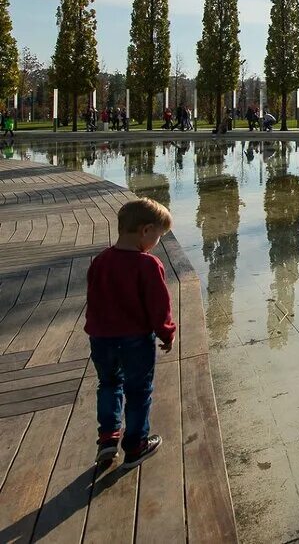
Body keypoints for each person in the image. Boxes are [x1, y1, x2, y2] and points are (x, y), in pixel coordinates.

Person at [85, 198, 176, 468]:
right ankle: (135, 445)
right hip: (135, 339)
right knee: (138, 391)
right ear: (145, 231)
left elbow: (94, 298)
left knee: (109, 384)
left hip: (101, 338)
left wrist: (97, 329)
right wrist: (167, 333)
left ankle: (108, 438)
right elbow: (159, 307)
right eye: (159, 235)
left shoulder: (100, 261)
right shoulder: (147, 265)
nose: (158, 242)